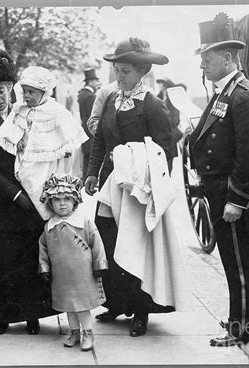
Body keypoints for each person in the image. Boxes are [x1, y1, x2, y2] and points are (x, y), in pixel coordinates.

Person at [84, 37, 175, 337]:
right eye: (116, 71)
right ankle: (115, 302)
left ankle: (140, 311)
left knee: (136, 249)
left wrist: (151, 191)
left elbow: (165, 152)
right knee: (107, 242)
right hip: (111, 186)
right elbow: (100, 139)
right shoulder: (112, 99)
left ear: (142, 71)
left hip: (138, 190)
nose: (119, 77)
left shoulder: (153, 105)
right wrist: (92, 173)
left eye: (125, 72)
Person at [0, 50, 56, 336]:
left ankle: (33, 315)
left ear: (11, 89)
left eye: (1, 91)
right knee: (0, 259)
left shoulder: (29, 115)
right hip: (1, 200)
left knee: (30, 257)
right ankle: (0, 317)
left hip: (33, 196)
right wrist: (16, 195)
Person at [189, 13, 249, 346]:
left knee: (238, 264)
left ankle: (243, 330)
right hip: (219, 192)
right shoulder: (225, 92)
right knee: (232, 263)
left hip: (231, 195)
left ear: (228, 58)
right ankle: (241, 320)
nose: (203, 66)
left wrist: (236, 199)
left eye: (207, 59)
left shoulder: (242, 95)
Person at [0, 65, 88, 221]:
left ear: (44, 93)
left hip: (49, 160)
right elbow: (15, 130)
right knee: (27, 178)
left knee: (46, 188)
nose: (26, 96)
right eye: (24, 91)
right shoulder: (21, 109)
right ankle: (38, 214)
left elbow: (70, 136)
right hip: (27, 157)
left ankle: (48, 217)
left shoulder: (56, 111)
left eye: (31, 92)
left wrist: (65, 148)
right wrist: (17, 139)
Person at [38, 173, 108, 351]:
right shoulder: (49, 226)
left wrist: (99, 264)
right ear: (50, 202)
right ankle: (74, 332)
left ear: (75, 200)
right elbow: (43, 248)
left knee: (82, 306)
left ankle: (88, 333)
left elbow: (96, 243)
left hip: (82, 274)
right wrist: (44, 267)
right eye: (57, 200)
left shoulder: (83, 222)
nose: (62, 203)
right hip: (62, 276)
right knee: (69, 306)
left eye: (67, 199)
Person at [77, 68, 100, 181]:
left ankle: (85, 177)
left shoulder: (82, 94)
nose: (97, 84)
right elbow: (93, 116)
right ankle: (88, 178)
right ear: (91, 81)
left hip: (84, 128)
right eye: (95, 81)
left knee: (87, 156)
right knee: (91, 155)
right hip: (90, 130)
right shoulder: (90, 96)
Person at [157, 77, 183, 162]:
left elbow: (175, 119)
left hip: (170, 134)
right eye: (160, 83)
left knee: (168, 159)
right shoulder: (157, 99)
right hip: (159, 134)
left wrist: (164, 120)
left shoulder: (172, 100)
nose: (160, 85)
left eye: (162, 83)